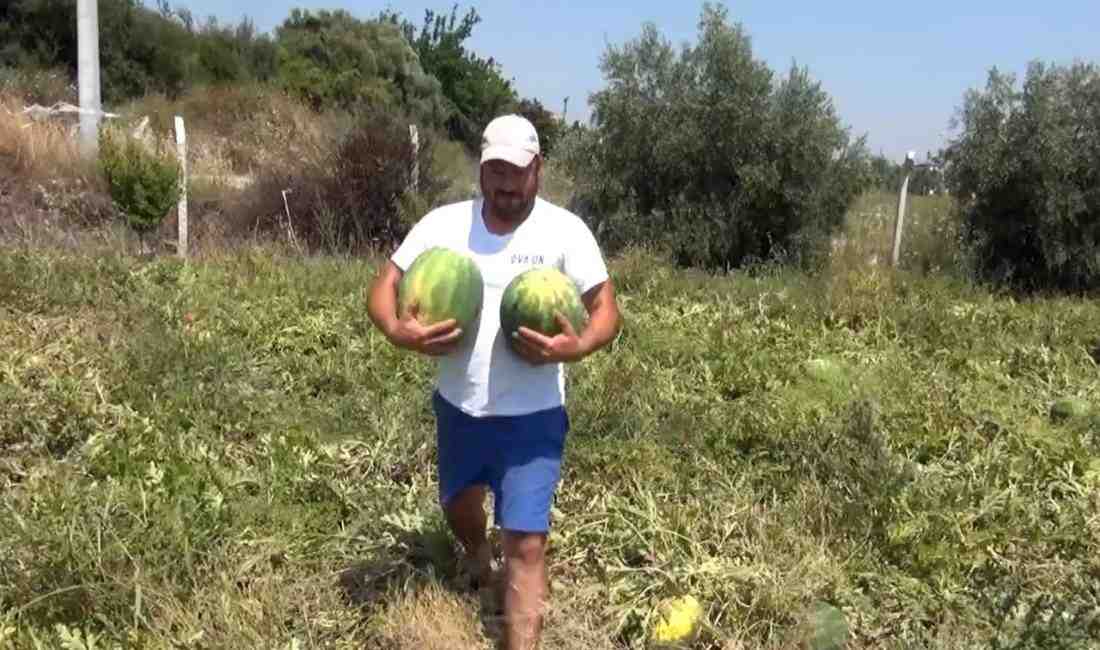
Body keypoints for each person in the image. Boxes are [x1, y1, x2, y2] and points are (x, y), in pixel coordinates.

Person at [367, 114, 621, 649]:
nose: (507, 184)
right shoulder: (442, 226)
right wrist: (397, 330)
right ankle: (477, 555)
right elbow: (384, 286)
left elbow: (605, 310)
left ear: (538, 170)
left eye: (518, 172)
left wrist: (579, 345)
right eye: (496, 171)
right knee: (460, 505)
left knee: (527, 546)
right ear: (482, 170)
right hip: (460, 407)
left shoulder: (565, 231)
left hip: (533, 417)